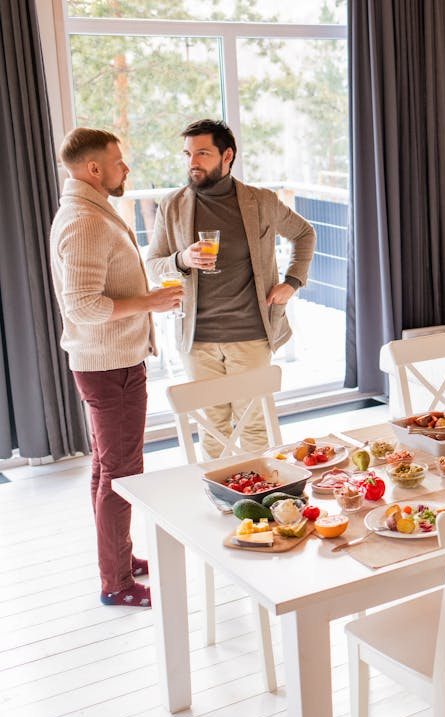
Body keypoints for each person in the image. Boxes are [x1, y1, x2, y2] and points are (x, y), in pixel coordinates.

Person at [50, 128, 184, 608]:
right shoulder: (84, 222)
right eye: (117, 161)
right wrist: (150, 301)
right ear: (92, 169)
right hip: (111, 367)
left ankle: (118, 559)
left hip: (108, 363)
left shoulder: (88, 212)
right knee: (122, 473)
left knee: (107, 467)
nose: (125, 168)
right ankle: (117, 583)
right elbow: (84, 306)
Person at [146, 119, 315, 458]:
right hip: (197, 338)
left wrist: (292, 283)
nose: (193, 162)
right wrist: (182, 259)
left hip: (251, 332)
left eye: (203, 153)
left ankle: (260, 499)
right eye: (188, 154)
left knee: (254, 423)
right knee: (211, 424)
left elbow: (303, 233)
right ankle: (220, 498)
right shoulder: (173, 205)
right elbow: (153, 264)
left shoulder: (261, 201)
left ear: (227, 156)